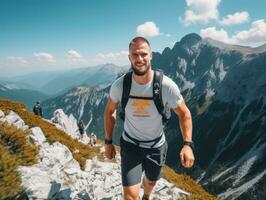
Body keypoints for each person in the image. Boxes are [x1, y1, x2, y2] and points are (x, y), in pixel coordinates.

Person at [104, 37, 195, 200]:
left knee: (151, 182)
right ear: (129, 57)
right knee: (130, 196)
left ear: (151, 55)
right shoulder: (120, 86)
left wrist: (187, 144)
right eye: (135, 54)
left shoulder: (166, 86)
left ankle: (146, 195)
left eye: (143, 54)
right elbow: (110, 111)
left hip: (156, 147)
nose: (139, 59)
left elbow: (184, 114)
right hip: (130, 145)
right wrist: (108, 142)